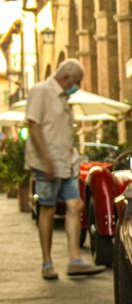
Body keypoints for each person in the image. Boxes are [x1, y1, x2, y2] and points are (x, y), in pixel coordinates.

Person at [24, 59, 105, 279]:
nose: (78, 85)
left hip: (67, 163)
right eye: (77, 81)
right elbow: (33, 125)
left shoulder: (65, 99)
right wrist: (46, 159)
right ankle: (47, 263)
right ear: (67, 77)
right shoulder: (41, 91)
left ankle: (75, 260)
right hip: (47, 164)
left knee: (74, 206)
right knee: (48, 210)